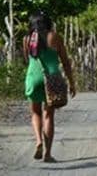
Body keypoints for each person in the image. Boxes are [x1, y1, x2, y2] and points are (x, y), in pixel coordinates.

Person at [25, 11, 76, 163]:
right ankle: (47, 154)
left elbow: (27, 59)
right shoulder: (55, 37)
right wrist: (72, 82)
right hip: (52, 77)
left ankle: (38, 141)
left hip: (34, 77)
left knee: (35, 112)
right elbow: (65, 61)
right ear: (48, 23)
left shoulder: (27, 39)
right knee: (49, 115)